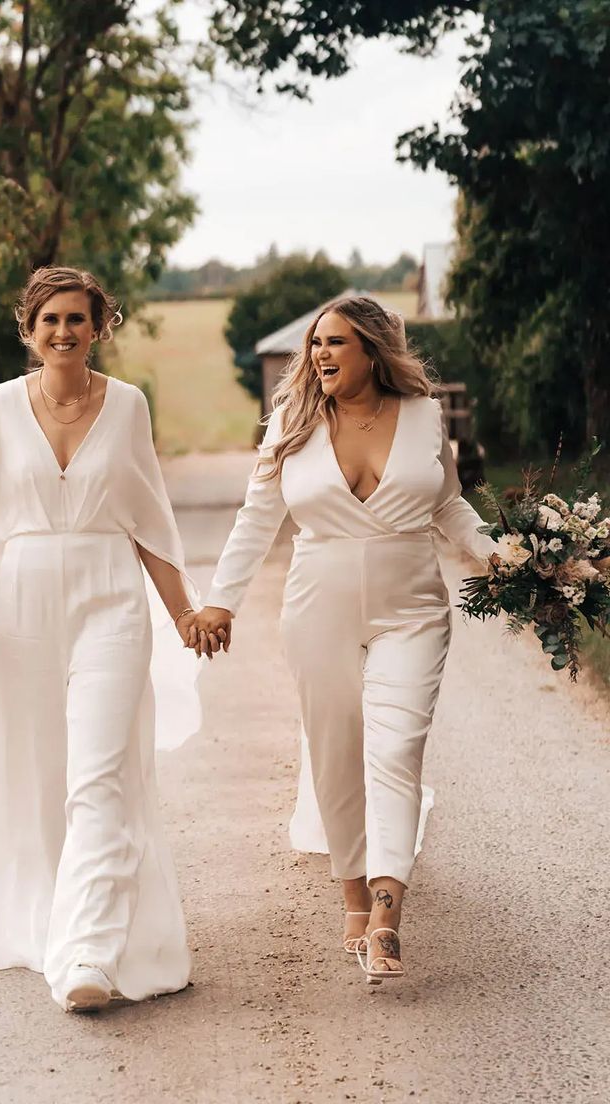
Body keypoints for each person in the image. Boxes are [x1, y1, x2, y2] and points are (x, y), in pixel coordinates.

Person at [189, 295, 494, 983]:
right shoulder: (293, 422)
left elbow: (447, 503)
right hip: (317, 608)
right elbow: (257, 517)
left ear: (373, 351)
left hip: (413, 609)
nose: (321, 354)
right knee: (335, 751)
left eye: (337, 343)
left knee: (397, 748)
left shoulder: (422, 416)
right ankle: (352, 895)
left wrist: (497, 553)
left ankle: (386, 913)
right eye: (316, 343)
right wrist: (220, 603)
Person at [0, 266, 204, 1012]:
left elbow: (150, 520)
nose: (62, 332)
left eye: (76, 319)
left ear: (98, 327)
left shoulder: (128, 406)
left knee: (100, 776)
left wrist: (182, 615)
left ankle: (88, 952)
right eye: (49, 320)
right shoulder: (0, 407)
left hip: (110, 600)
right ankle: (50, 919)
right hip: (23, 608)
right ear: (29, 329)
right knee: (43, 773)